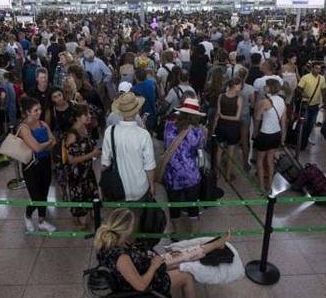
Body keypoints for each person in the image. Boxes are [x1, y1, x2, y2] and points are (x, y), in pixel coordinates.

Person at [94, 208, 225, 298]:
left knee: (181, 258)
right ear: (126, 229)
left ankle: (211, 246)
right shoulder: (121, 257)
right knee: (186, 275)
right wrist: (153, 266)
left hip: (143, 267)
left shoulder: (107, 243)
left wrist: (146, 258)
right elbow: (140, 286)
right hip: (146, 284)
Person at [161, 98, 206, 234]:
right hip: (191, 174)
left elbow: (165, 145)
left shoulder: (169, 125)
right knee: (193, 206)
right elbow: (200, 150)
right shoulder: (199, 132)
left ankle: (177, 234)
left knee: (174, 207)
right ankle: (194, 234)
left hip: (172, 175)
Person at [102, 92, 156, 201]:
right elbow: (149, 166)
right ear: (137, 110)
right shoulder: (144, 135)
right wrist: (152, 185)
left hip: (118, 188)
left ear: (120, 112)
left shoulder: (110, 132)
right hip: (140, 188)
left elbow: (105, 164)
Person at [16, 96, 57, 233]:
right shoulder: (24, 128)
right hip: (31, 166)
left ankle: (41, 220)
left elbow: (53, 141)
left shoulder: (42, 124)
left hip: (45, 162)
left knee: (44, 192)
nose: (39, 112)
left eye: (39, 109)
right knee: (35, 196)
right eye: (35, 110)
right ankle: (27, 216)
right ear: (27, 112)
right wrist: (47, 143)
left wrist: (46, 144)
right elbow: (37, 148)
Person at [63, 104, 100, 230]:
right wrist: (92, 154)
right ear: (78, 118)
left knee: (90, 193)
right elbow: (71, 160)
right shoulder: (72, 135)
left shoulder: (85, 128)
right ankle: (78, 219)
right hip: (77, 173)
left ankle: (89, 213)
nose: (89, 116)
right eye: (86, 115)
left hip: (87, 171)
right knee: (79, 196)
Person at [253, 79, 287, 194]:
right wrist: (283, 137)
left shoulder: (265, 102)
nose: (264, 87)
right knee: (270, 160)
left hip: (265, 133)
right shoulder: (282, 101)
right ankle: (270, 186)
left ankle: (262, 186)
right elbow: (283, 121)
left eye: (266, 86)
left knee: (260, 159)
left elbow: (257, 118)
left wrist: (255, 132)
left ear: (269, 88)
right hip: (276, 134)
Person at [213, 78, 243, 182]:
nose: (240, 87)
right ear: (234, 85)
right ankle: (228, 174)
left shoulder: (221, 96)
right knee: (231, 153)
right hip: (232, 128)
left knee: (219, 151)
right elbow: (237, 117)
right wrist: (226, 117)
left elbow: (218, 114)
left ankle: (216, 173)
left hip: (221, 126)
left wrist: (214, 127)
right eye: (239, 85)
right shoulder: (238, 99)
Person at [297, 62, 326, 151]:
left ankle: (304, 142)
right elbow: (299, 89)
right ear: (312, 68)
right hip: (306, 105)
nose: (318, 70)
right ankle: (301, 143)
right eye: (316, 68)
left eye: (319, 68)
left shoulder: (322, 78)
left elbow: (323, 90)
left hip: (315, 105)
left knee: (310, 125)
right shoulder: (305, 78)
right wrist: (303, 94)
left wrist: (324, 100)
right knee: (304, 125)